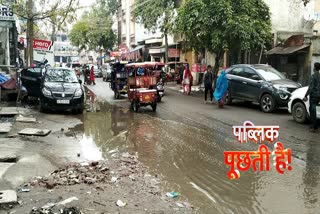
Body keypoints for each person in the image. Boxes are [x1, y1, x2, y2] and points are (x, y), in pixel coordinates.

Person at [303, 62, 320, 132]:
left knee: (312, 111)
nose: (313, 68)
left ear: (315, 68)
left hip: (314, 96)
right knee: (313, 110)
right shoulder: (319, 75)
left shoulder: (313, 76)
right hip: (319, 95)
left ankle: (314, 127)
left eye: (313, 67)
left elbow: (311, 87)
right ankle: (315, 126)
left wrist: (305, 95)